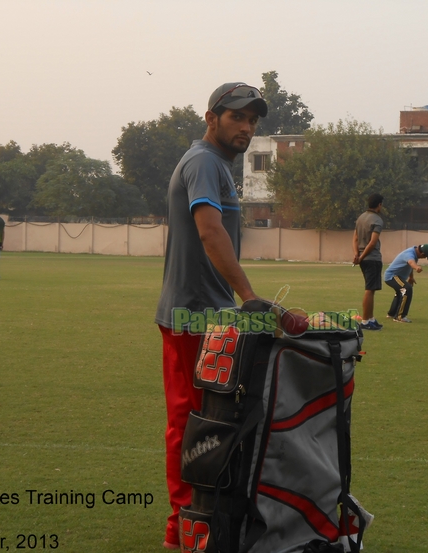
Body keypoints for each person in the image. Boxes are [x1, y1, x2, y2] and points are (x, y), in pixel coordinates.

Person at [154, 82, 268, 550]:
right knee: (190, 419)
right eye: (237, 117)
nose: (246, 127)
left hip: (210, 314)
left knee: (213, 418)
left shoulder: (214, 164)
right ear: (211, 116)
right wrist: (248, 295)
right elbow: (209, 230)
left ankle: (208, 515)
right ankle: (182, 526)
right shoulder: (203, 162)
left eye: (252, 120)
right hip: (194, 315)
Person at [352, 193, 385, 331]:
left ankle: (371, 318)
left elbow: (355, 238)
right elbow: (372, 242)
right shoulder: (377, 220)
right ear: (379, 205)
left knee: (371, 289)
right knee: (369, 290)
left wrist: (357, 255)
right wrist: (362, 256)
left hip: (363, 258)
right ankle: (365, 321)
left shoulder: (361, 218)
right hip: (372, 259)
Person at [384, 244, 428, 323]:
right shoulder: (409, 254)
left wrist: (411, 277)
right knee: (407, 288)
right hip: (392, 276)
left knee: (400, 292)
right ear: (422, 254)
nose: (424, 258)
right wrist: (416, 267)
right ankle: (400, 316)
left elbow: (409, 266)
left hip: (395, 276)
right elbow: (411, 262)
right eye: (425, 257)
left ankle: (391, 314)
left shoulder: (414, 253)